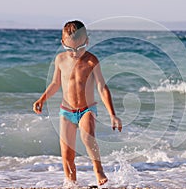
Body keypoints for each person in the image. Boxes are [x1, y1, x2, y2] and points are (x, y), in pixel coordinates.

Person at [33, 20, 122, 186]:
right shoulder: (60, 60)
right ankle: (71, 183)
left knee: (87, 137)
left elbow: (102, 87)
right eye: (70, 48)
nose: (74, 53)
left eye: (79, 48)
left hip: (86, 109)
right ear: (63, 43)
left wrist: (113, 115)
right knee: (67, 153)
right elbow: (55, 84)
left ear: (87, 41)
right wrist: (42, 99)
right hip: (66, 112)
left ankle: (98, 169)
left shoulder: (91, 61)